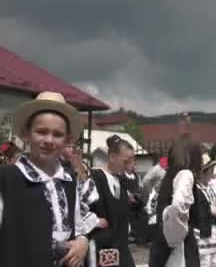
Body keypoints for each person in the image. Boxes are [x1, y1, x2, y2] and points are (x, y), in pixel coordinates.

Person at [0, 91, 90, 267]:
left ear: (67, 140)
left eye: (57, 134)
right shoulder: (7, 179)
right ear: (27, 133)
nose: (49, 140)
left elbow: (79, 226)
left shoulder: (69, 181)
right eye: (41, 132)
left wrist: (82, 242)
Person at [149, 137, 216, 266]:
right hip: (180, 245)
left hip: (162, 242)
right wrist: (180, 229)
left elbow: (153, 207)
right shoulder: (186, 175)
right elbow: (179, 205)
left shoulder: (168, 176)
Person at [90, 135, 136, 267]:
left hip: (121, 246)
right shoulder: (97, 178)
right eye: (126, 161)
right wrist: (94, 221)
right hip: (104, 248)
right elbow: (83, 208)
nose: (129, 166)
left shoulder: (120, 181)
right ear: (112, 157)